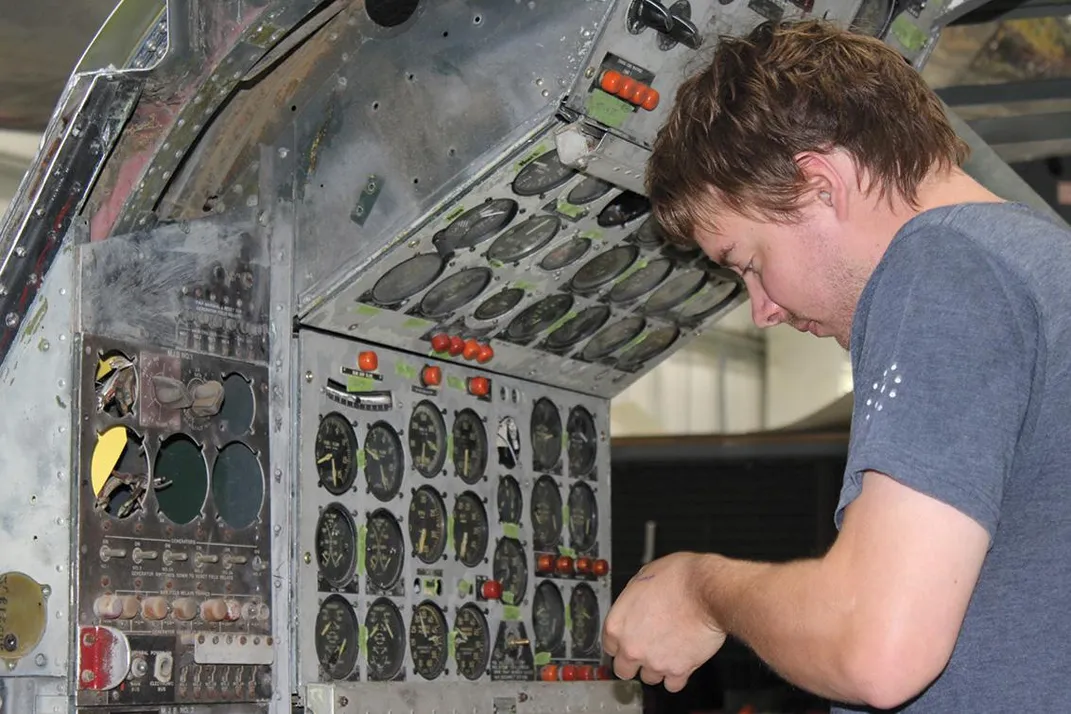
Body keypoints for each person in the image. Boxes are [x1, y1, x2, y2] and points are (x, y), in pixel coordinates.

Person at [602, 18, 1071, 713]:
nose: (760, 308)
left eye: (750, 263)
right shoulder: (1038, 266)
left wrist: (699, 590)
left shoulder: (941, 265)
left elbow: (875, 650)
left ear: (819, 184)